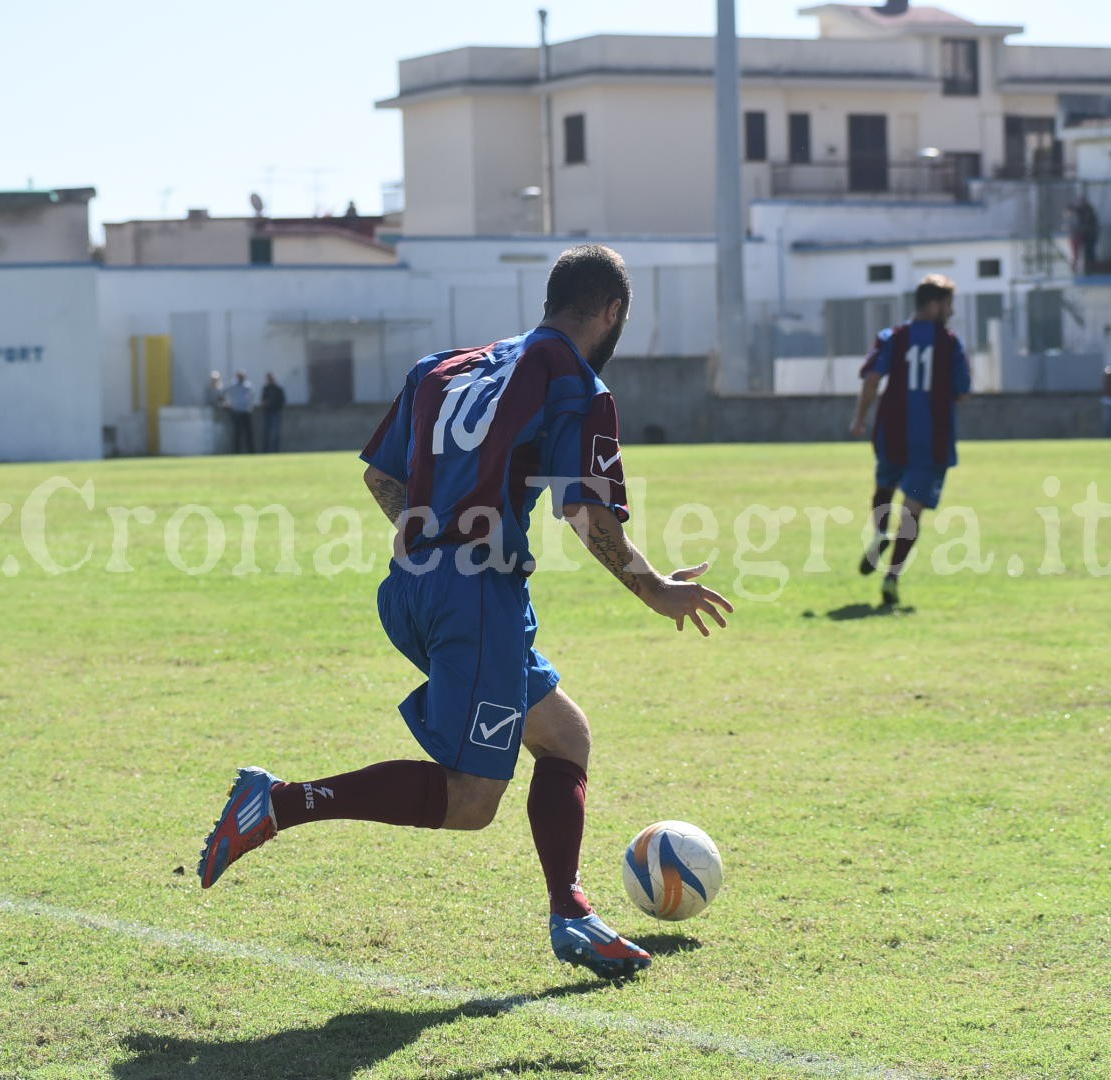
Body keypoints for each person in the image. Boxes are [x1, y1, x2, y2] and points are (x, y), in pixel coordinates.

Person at [195, 244, 733, 980]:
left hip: (417, 582)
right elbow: (585, 511)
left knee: (565, 735)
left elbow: (381, 476)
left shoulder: (445, 366)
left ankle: (570, 914)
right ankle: (279, 803)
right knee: (472, 799)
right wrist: (655, 589)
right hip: (474, 593)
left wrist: (437, 536)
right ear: (612, 312)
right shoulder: (576, 380)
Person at [849, 274, 973, 606]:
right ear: (934, 305)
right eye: (949, 304)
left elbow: (873, 379)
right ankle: (892, 578)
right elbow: (962, 393)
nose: (952, 311)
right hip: (930, 442)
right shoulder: (950, 343)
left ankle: (878, 535)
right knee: (912, 511)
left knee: (884, 489)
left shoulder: (892, 337)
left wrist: (860, 417)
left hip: (893, 432)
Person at [224, 370, 256, 454]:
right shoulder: (233, 385)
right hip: (237, 412)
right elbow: (223, 393)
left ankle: (251, 452)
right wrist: (227, 402)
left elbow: (252, 396)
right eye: (240, 376)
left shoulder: (248, 385)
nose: (241, 378)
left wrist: (251, 405)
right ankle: (236, 452)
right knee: (237, 434)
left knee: (249, 433)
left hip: (246, 412)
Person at [1069, 195, 1099, 274]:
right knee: (1078, 253)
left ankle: (1090, 268)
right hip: (1082, 235)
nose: (1081, 203)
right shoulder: (1079, 211)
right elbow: (1073, 210)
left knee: (1089, 252)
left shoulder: (1089, 211)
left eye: (1082, 201)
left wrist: (1083, 229)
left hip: (1090, 235)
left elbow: (1089, 223)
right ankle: (1081, 268)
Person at [260, 371, 287, 452]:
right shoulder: (266, 388)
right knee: (267, 433)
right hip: (268, 412)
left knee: (276, 433)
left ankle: (275, 450)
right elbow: (263, 399)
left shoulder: (278, 388)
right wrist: (266, 403)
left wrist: (273, 403)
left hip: (276, 412)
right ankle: (266, 450)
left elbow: (282, 401)